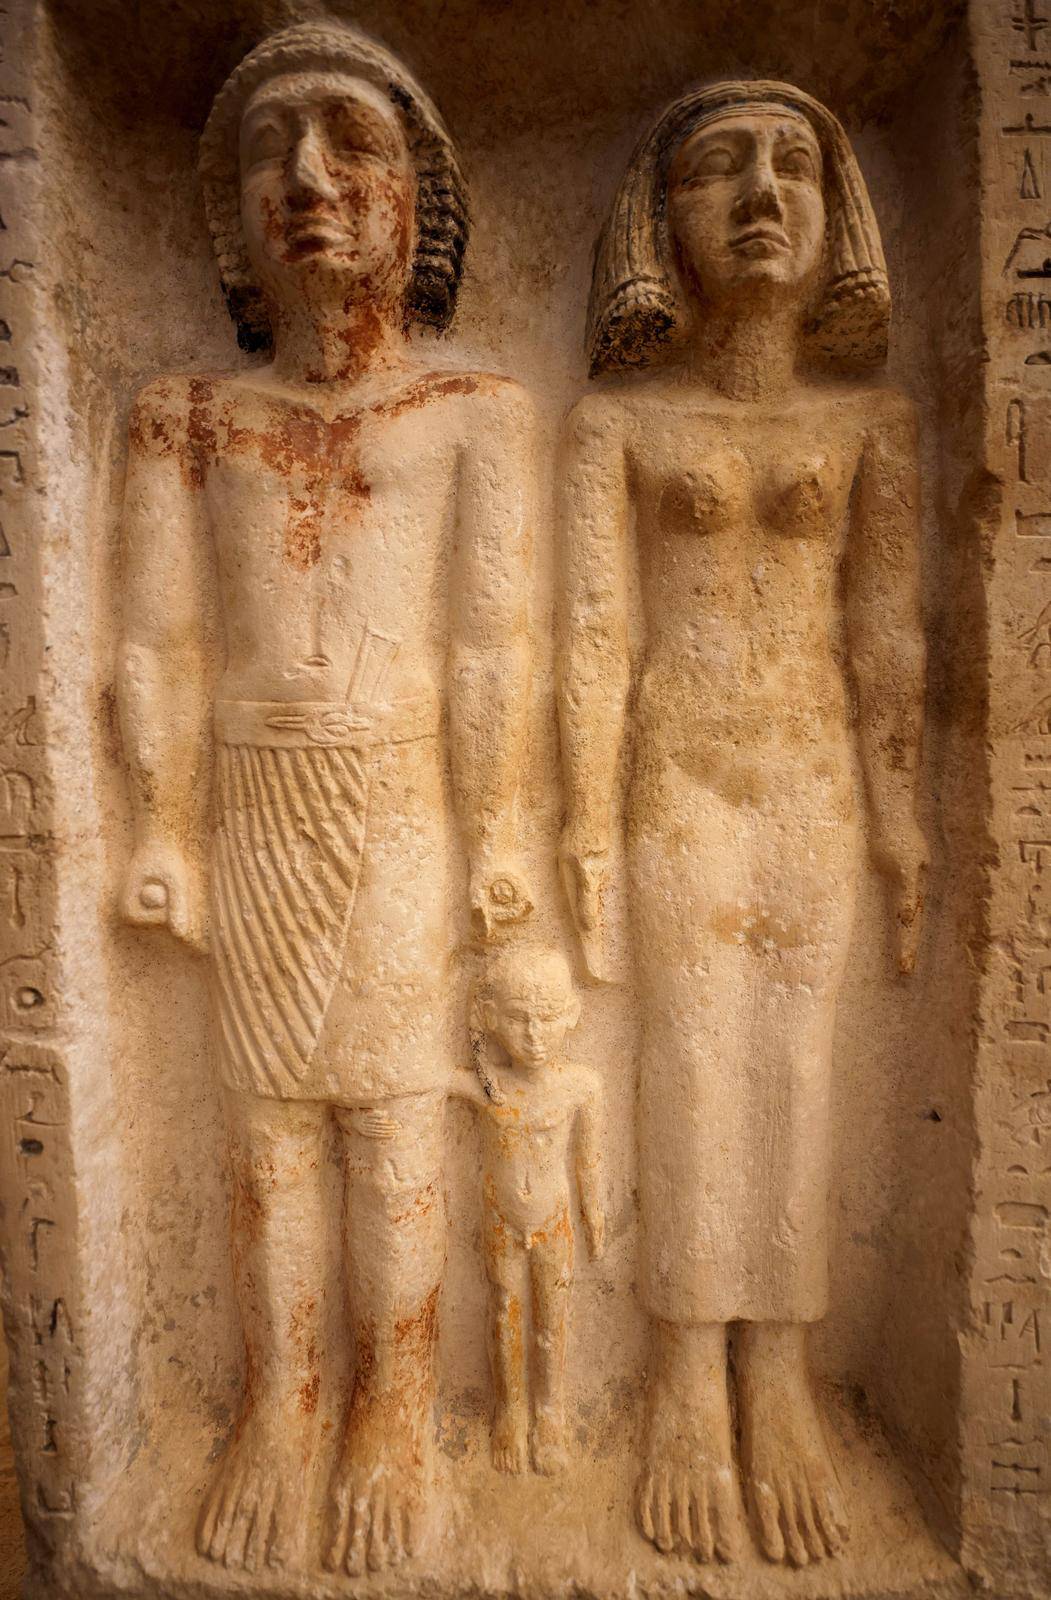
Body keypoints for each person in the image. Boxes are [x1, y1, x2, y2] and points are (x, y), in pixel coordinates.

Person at [117, 20, 534, 1576]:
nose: (305, 176)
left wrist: (498, 840)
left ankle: (395, 1408)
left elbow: (495, 643)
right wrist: (157, 829)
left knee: (393, 1114)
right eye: (267, 148)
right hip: (248, 802)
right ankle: (282, 1407)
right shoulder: (184, 416)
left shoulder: (473, 413)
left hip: (402, 804)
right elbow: (154, 642)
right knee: (265, 1129)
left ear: (412, 198)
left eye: (346, 139)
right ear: (230, 217)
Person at [558, 80, 927, 1566]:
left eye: (792, 166)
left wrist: (900, 817)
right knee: (693, 1059)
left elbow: (887, 644)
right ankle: (673, 1385)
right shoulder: (616, 424)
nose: (761, 193)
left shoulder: (869, 428)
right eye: (720, 169)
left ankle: (771, 1373)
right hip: (679, 772)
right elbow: (592, 642)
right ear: (664, 223)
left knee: (793, 1055)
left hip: (811, 776)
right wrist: (584, 832)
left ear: (836, 215)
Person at [451, 944, 605, 1476]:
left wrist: (596, 1212)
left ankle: (552, 1413)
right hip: (502, 1219)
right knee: (505, 1312)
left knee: (552, 1321)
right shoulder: (491, 1087)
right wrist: (472, 1030)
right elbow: (434, 1081)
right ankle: (511, 1412)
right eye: (518, 1021)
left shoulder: (580, 1087)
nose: (535, 1038)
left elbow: (589, 1160)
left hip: (554, 1219)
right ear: (493, 1019)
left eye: (547, 1019)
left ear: (571, 1016)